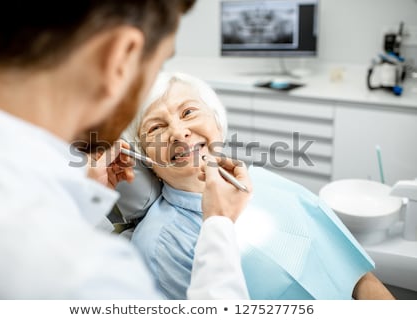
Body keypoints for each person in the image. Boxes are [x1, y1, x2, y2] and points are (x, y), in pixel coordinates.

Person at [0, 0, 253, 299]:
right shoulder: (87, 275)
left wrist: (84, 194)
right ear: (121, 57)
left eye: (189, 112)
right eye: (160, 64)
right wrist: (219, 224)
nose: (179, 132)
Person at [124, 71, 396, 300]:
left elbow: (357, 276)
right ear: (146, 158)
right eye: (156, 128)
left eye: (189, 111)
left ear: (216, 121)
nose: (178, 132)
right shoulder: (160, 245)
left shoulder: (268, 184)